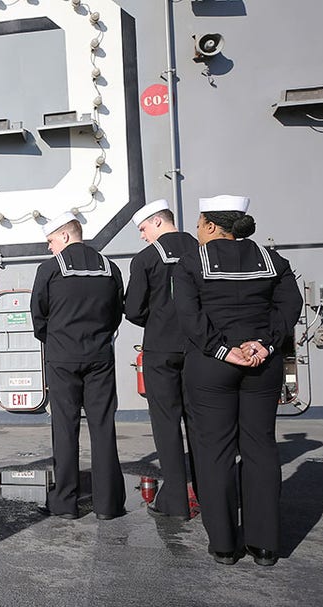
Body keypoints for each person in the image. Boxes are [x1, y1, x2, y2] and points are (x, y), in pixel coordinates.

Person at [173, 194, 302, 566]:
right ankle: (264, 545)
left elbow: (188, 314)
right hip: (263, 364)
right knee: (260, 446)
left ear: (212, 226)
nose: (196, 231)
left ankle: (226, 544)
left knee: (215, 451)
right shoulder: (273, 260)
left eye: (199, 224)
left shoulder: (190, 263)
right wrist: (265, 344)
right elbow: (289, 307)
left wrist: (222, 350)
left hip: (212, 366)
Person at [32, 215, 126, 520]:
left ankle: (65, 502)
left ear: (64, 236)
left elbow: (39, 315)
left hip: (62, 358)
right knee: (102, 427)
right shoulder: (110, 268)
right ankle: (108, 504)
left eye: (50, 241)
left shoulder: (50, 269)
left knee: (65, 427)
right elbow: (115, 314)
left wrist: (57, 340)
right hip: (100, 357)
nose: (49, 248)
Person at [124, 199, 200, 518]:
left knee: (166, 423)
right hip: (201, 347)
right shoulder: (201, 250)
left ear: (157, 222)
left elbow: (133, 310)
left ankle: (176, 501)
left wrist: (158, 321)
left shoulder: (145, 259)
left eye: (143, 229)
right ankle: (205, 490)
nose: (142, 236)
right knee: (201, 423)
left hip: (161, 349)